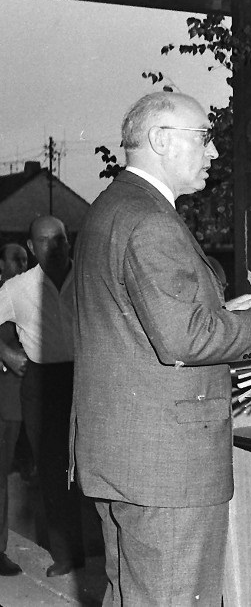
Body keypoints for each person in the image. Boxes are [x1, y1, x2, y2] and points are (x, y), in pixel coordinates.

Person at [72, 92, 251, 605]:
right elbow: (183, 339)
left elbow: (136, 319)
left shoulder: (114, 208)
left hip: (127, 455)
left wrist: (230, 310)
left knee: (132, 595)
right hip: (167, 467)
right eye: (203, 137)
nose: (213, 151)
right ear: (160, 139)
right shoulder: (152, 220)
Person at [0, 216, 86, 577]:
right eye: (45, 241)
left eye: (60, 239)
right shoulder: (17, 288)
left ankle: (94, 549)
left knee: (94, 465)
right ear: (32, 247)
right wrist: (5, 352)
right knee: (52, 470)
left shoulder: (88, 277)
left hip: (85, 376)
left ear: (69, 241)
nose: (54, 247)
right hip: (43, 382)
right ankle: (66, 556)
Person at [0, 243, 28, 576]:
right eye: (15, 259)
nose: (22, 264)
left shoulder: (25, 295)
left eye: (25, 259)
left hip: (10, 399)